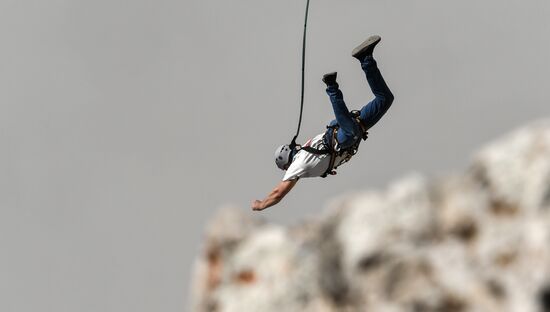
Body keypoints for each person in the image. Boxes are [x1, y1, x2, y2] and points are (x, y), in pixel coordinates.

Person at [252, 35, 394, 211]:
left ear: (287, 165)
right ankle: (365, 58)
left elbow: (278, 193)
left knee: (350, 133)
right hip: (354, 126)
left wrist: (261, 205)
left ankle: (331, 87)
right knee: (385, 99)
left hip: (345, 135)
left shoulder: (298, 164)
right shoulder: (304, 150)